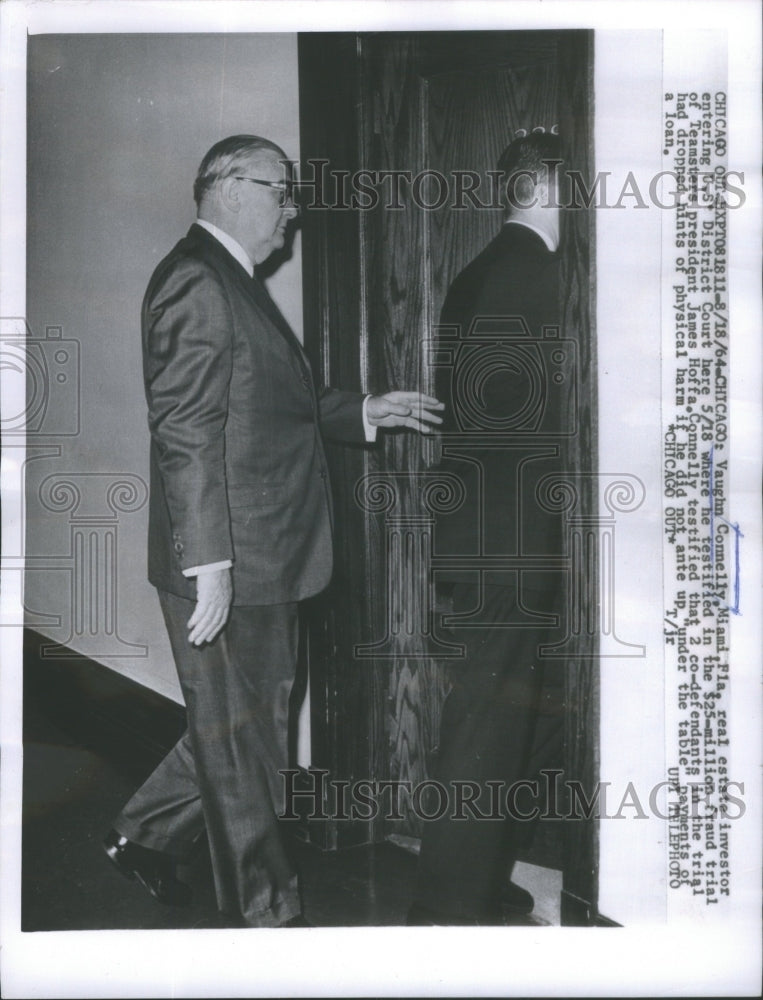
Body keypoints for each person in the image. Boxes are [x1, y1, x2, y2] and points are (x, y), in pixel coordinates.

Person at [103, 134, 443, 928]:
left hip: (270, 552)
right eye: (280, 190)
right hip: (234, 558)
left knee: (242, 723)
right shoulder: (196, 280)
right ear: (226, 187)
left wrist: (360, 410)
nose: (291, 211)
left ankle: (143, 836)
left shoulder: (233, 281)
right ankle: (267, 919)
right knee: (246, 743)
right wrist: (209, 564)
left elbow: (274, 398)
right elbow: (184, 431)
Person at [409, 132, 567, 925]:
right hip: (511, 541)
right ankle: (446, 909)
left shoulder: (476, 270)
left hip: (474, 532)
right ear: (548, 189)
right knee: (486, 727)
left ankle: (476, 879)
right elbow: (538, 424)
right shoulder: (537, 275)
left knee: (492, 717)